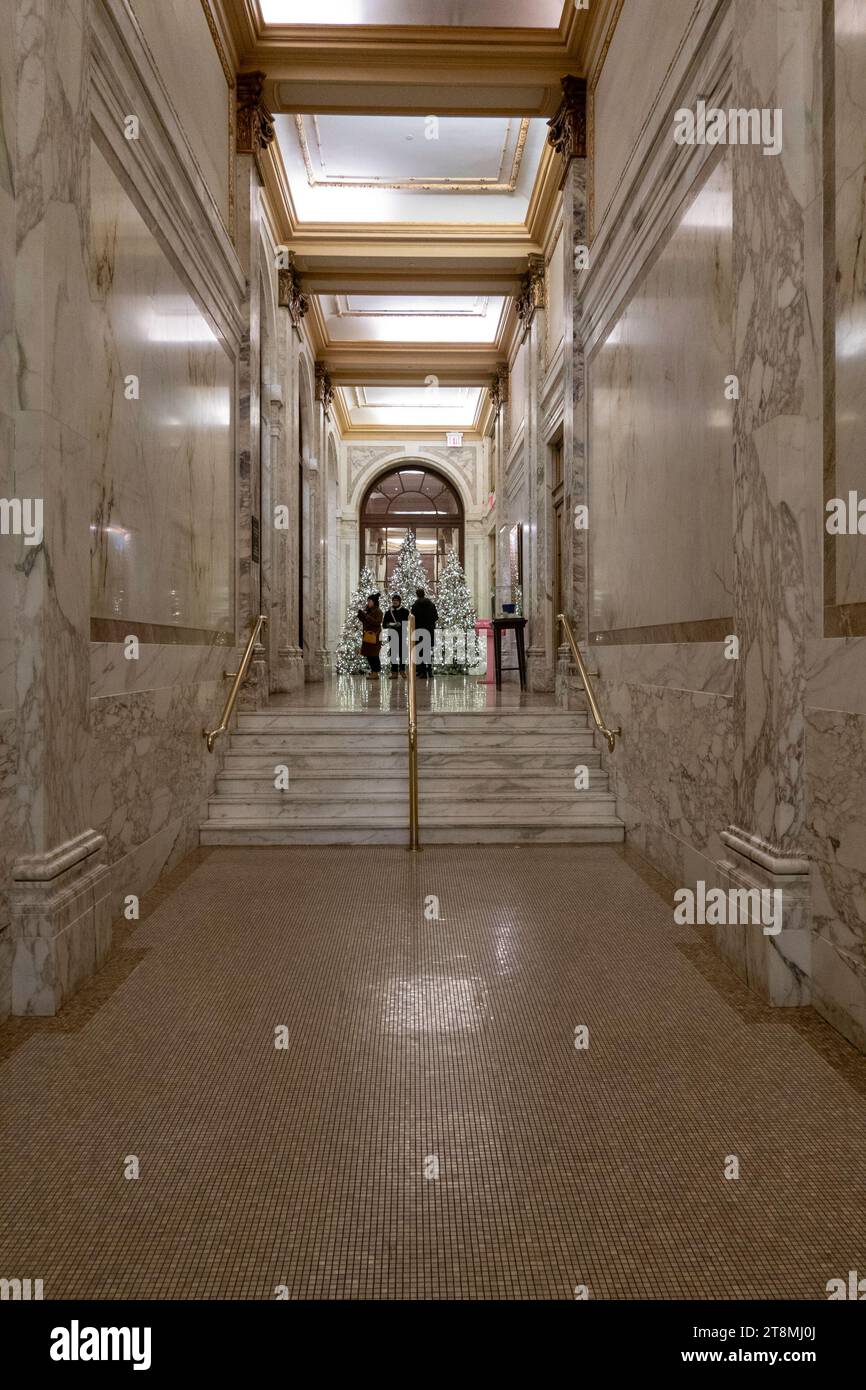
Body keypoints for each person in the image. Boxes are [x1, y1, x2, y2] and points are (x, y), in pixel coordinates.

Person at [411, 586, 438, 679]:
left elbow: (412, 619)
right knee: (428, 651)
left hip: (419, 630)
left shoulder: (415, 605)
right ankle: (429, 671)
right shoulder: (431, 604)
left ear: (417, 595)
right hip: (429, 630)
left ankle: (422, 671)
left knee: (420, 652)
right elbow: (436, 617)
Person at [382, 592, 409, 679]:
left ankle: (402, 670)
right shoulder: (388, 612)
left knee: (402, 654)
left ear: (400, 601)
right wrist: (390, 625)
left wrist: (400, 624)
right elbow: (384, 625)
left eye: (397, 600)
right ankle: (394, 672)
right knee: (393, 654)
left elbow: (407, 623)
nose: (395, 602)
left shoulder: (405, 611)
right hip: (392, 636)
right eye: (394, 600)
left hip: (402, 635)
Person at [357, 593, 383, 680]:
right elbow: (365, 621)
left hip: (374, 636)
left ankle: (375, 672)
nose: (368, 602)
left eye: (369, 601)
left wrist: (366, 616)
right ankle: (373, 671)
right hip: (368, 636)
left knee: (374, 655)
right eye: (368, 601)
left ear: (374, 602)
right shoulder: (369, 610)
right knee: (369, 654)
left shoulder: (378, 611)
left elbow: (377, 622)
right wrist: (361, 615)